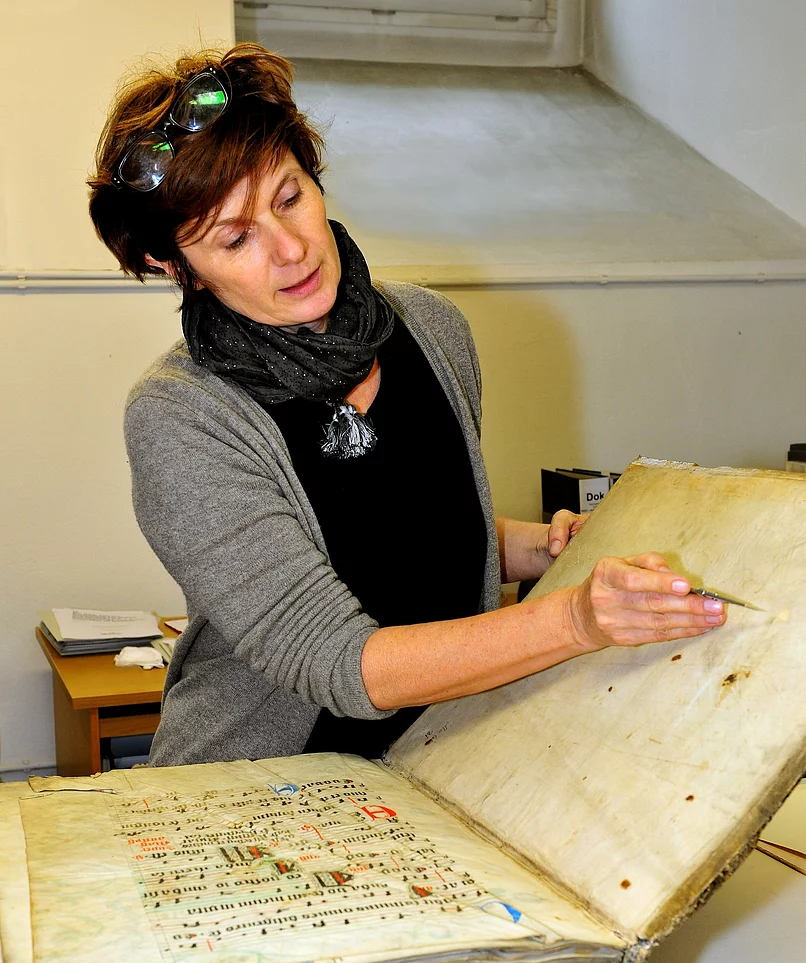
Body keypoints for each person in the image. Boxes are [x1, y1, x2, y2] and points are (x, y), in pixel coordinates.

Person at [88, 43, 725, 767]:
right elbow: (337, 662)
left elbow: (406, 531)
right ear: (178, 269)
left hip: (441, 756)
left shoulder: (432, 330)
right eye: (236, 239)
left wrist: (543, 547)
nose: (291, 249)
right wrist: (575, 618)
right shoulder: (183, 414)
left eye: (290, 198)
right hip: (261, 789)